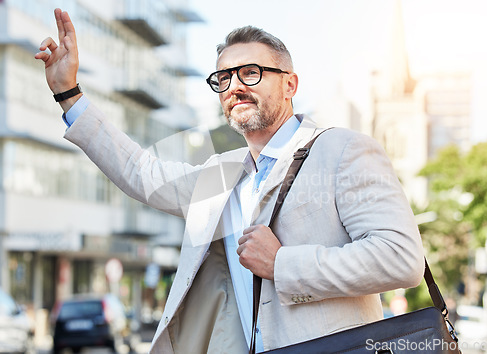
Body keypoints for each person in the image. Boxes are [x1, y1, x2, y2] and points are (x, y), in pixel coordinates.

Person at [36, 8, 425, 354]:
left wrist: (282, 264)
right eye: (223, 77)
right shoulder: (223, 174)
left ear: (290, 85)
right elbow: (142, 173)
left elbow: (402, 259)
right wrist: (69, 94)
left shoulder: (343, 150)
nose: (234, 86)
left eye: (251, 73)